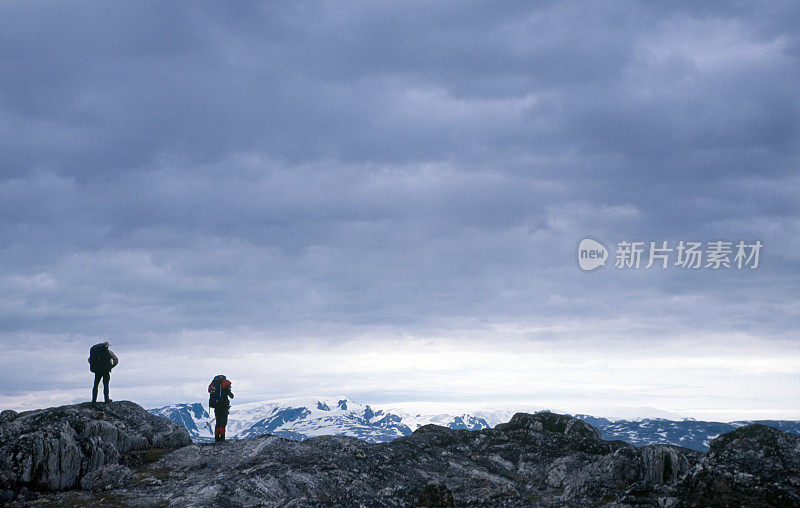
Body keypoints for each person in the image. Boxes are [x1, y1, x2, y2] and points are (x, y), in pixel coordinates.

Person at [208, 374, 234, 442]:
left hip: (216, 406)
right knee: (223, 422)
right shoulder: (225, 387)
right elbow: (232, 396)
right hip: (224, 406)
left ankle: (216, 438)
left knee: (218, 422)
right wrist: (229, 391)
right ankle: (222, 438)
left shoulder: (215, 386)